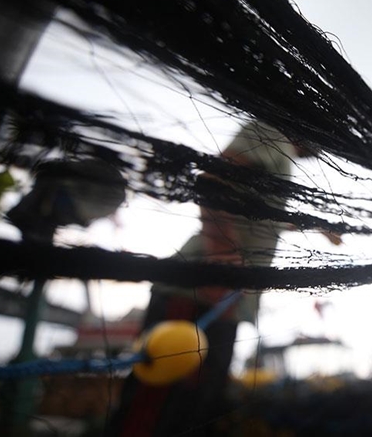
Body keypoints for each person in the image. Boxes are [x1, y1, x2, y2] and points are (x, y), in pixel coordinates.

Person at [108, 121, 339, 436]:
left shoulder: (282, 155)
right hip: (195, 294)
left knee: (198, 408)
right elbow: (212, 179)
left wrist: (315, 228)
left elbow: (259, 218)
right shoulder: (270, 131)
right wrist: (220, 257)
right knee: (157, 409)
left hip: (227, 301)